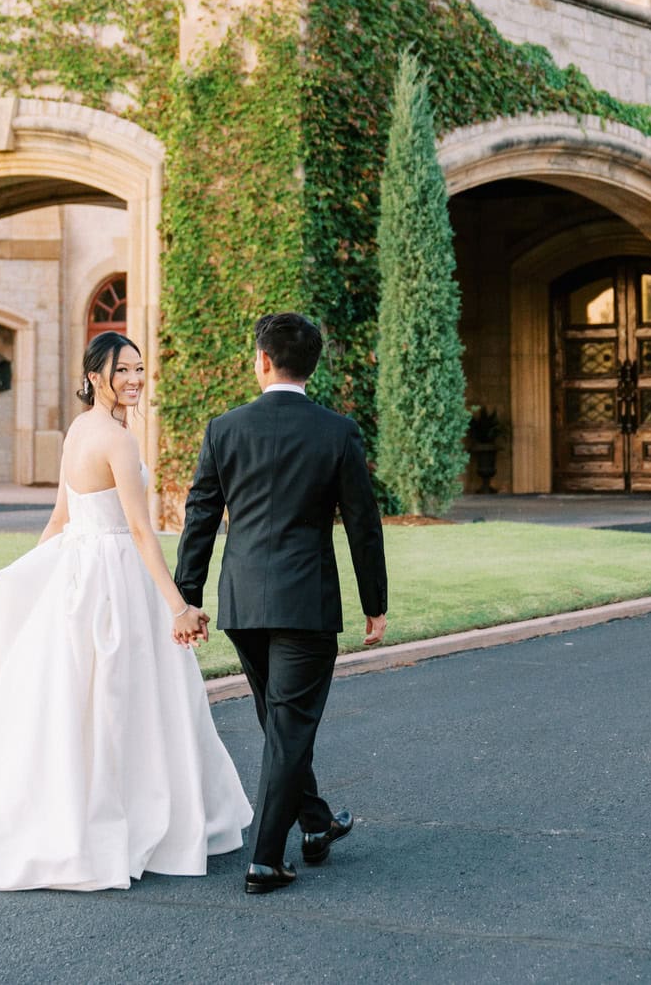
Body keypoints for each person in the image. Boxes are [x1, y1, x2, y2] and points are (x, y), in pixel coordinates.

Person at [0, 332, 251, 892]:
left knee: (80, 696)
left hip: (78, 572)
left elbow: (62, 518)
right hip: (112, 576)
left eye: (140, 369)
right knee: (120, 695)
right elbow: (137, 530)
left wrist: (31, 577)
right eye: (124, 370)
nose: (135, 379)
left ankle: (82, 812)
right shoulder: (115, 439)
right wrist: (178, 605)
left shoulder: (78, 431)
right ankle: (124, 819)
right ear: (95, 375)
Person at [175, 312, 388, 895]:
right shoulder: (337, 431)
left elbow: (200, 517)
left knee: (281, 723)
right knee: (289, 726)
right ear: (310, 367)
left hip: (243, 601)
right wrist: (376, 602)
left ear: (262, 361)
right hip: (306, 603)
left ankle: (316, 826)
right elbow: (363, 526)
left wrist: (186, 596)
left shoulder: (224, 428)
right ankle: (265, 860)